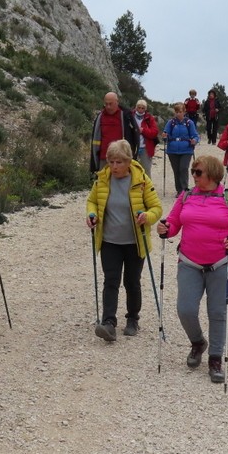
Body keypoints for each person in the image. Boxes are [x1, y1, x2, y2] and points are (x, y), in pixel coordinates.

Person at [156, 154, 228, 383]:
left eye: (198, 172)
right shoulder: (186, 196)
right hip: (189, 262)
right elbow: (173, 224)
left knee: (217, 312)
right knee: (185, 309)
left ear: (212, 173)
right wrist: (165, 229)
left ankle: (215, 358)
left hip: (220, 264)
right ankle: (198, 342)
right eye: (193, 172)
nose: (194, 176)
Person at [86, 140, 163, 341]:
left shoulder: (142, 181)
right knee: (110, 281)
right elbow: (92, 201)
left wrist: (147, 216)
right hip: (109, 241)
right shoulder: (102, 180)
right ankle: (108, 323)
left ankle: (132, 319)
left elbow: (156, 208)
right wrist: (92, 214)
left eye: (119, 162)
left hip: (134, 242)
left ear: (129, 161)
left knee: (132, 282)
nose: (114, 166)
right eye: (111, 162)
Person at [89, 91, 139, 173]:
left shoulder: (126, 116)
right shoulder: (100, 117)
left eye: (110, 104)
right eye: (106, 104)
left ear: (117, 102)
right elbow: (95, 139)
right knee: (103, 184)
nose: (108, 107)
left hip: (121, 159)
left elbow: (135, 136)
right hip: (104, 158)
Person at [162, 101, 199, 195]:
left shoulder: (189, 123)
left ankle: (184, 189)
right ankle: (179, 190)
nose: (178, 113)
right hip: (172, 150)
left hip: (186, 150)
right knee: (176, 170)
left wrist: (194, 140)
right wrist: (164, 136)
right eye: (176, 112)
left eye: (180, 111)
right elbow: (165, 133)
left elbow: (195, 135)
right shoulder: (171, 123)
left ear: (184, 112)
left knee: (183, 168)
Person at [132, 99, 158, 178]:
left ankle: (148, 189)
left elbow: (154, 132)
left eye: (142, 108)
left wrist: (143, 130)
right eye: (139, 107)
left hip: (145, 148)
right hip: (133, 147)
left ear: (145, 109)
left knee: (146, 170)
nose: (140, 110)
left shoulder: (149, 118)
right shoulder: (130, 116)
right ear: (136, 107)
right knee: (132, 170)